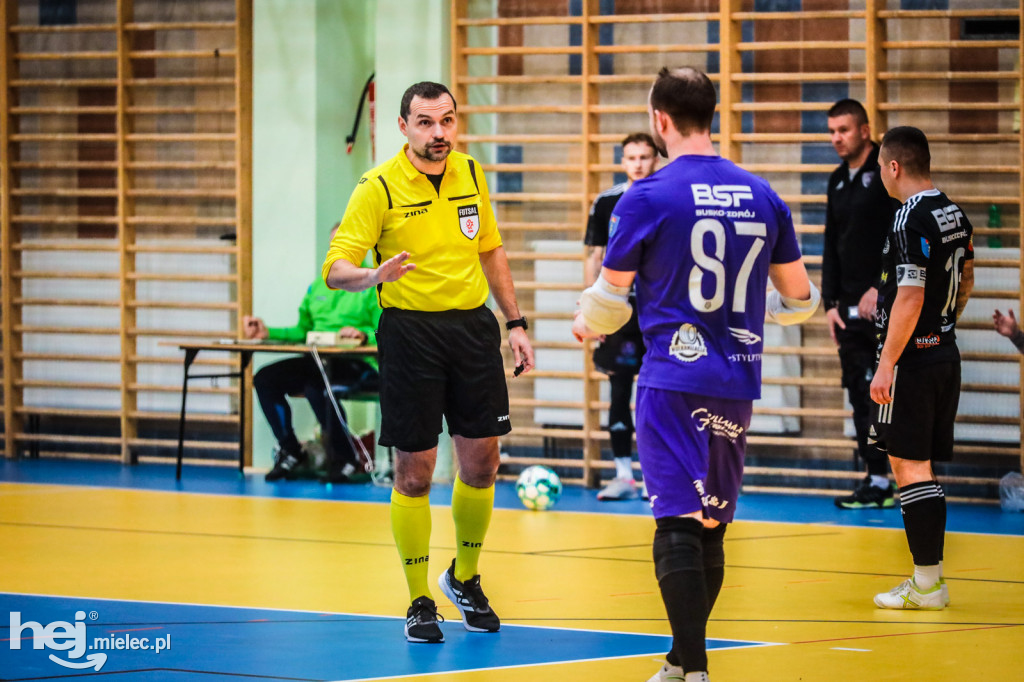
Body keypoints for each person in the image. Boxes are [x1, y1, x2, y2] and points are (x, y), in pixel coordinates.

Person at [572, 67, 818, 682]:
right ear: (712, 115)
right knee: (712, 521)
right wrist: (748, 308)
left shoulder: (647, 196)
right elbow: (802, 300)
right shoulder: (764, 194)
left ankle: (697, 671)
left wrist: (585, 317)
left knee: (676, 522)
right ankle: (682, 663)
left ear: (659, 122)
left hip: (670, 382)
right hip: (736, 381)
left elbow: (610, 298)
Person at [322, 81, 535, 644]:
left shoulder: (470, 172)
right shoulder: (377, 187)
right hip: (410, 333)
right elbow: (335, 268)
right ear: (403, 126)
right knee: (415, 473)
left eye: (446, 121)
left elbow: (489, 247)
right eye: (425, 122)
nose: (438, 134)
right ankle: (419, 598)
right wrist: (374, 276)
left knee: (483, 463)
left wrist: (514, 323)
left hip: (471, 329)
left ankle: (463, 578)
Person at [869, 126, 974, 610]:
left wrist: (887, 362)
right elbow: (967, 273)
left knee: (908, 465)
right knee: (919, 465)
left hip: (913, 361)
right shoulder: (951, 209)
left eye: (881, 166)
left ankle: (927, 583)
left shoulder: (908, 217)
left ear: (894, 167)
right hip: (943, 353)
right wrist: (945, 322)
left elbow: (910, 294)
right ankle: (930, 579)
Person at [245, 223, 381, 483]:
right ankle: (291, 451)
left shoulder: (373, 284)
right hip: (317, 360)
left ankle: (347, 459)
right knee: (265, 378)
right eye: (335, 245)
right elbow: (302, 331)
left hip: (356, 363)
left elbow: (385, 330)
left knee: (316, 387)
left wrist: (363, 334)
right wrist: (268, 332)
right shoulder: (318, 287)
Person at [822, 99, 900, 509]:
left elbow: (898, 238)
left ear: (865, 131)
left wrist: (878, 287)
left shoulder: (885, 176)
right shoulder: (837, 180)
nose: (837, 138)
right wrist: (829, 304)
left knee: (891, 394)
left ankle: (906, 479)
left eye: (844, 130)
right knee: (858, 392)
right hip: (848, 310)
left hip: (885, 307)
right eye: (832, 131)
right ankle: (876, 480)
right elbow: (831, 246)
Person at [584, 132, 658, 500]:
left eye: (646, 157)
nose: (639, 164)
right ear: (623, 161)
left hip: (657, 313)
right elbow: (594, 257)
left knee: (658, 394)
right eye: (632, 157)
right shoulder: (607, 201)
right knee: (618, 389)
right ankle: (624, 475)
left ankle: (656, 478)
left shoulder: (665, 199)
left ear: (655, 160)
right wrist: (591, 312)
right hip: (617, 313)